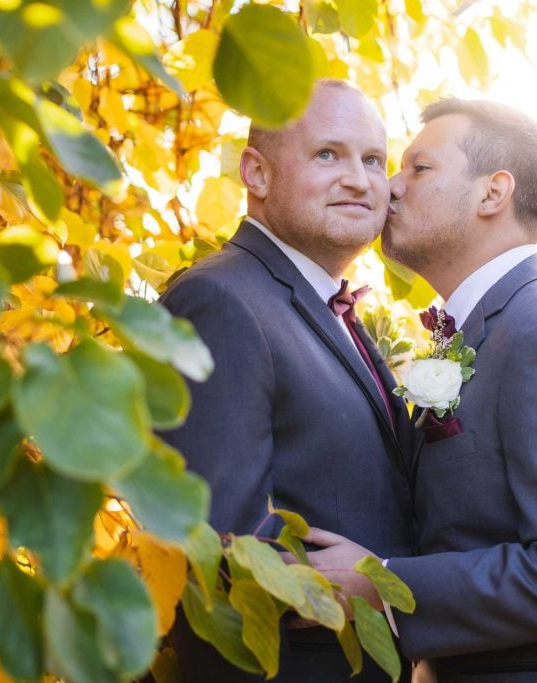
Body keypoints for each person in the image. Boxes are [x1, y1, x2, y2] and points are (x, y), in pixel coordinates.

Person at [302, 98, 537, 681]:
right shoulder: (492, 328)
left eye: (418, 168)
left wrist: (382, 582)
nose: (390, 188)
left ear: (492, 193)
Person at [159, 79, 415, 682]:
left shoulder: (327, 307)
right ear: (257, 173)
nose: (359, 178)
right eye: (328, 154)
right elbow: (219, 545)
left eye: (373, 160)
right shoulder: (219, 300)